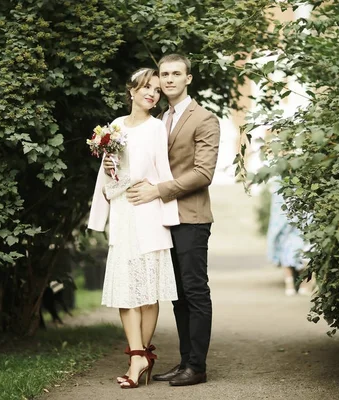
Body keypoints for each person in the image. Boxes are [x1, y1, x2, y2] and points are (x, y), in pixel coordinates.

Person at [105, 54, 220, 386]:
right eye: (164, 74)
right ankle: (185, 361)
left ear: (188, 78)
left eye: (176, 74)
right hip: (159, 218)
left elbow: (202, 173)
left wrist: (157, 191)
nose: (169, 80)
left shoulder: (205, 119)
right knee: (177, 293)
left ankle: (196, 365)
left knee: (195, 291)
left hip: (190, 215)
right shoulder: (162, 118)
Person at [88, 67, 180, 389]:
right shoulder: (113, 127)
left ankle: (138, 358)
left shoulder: (157, 128)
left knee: (148, 292)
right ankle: (138, 356)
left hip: (148, 212)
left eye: (157, 89)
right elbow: (106, 176)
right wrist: (111, 172)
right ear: (132, 91)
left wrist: (167, 212)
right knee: (126, 291)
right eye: (146, 87)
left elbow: (161, 172)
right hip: (123, 215)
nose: (152, 93)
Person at [266, 188, 310, 296]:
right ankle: (297, 285)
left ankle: (295, 286)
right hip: (293, 231)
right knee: (296, 256)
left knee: (297, 257)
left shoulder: (282, 189)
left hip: (294, 230)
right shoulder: (285, 189)